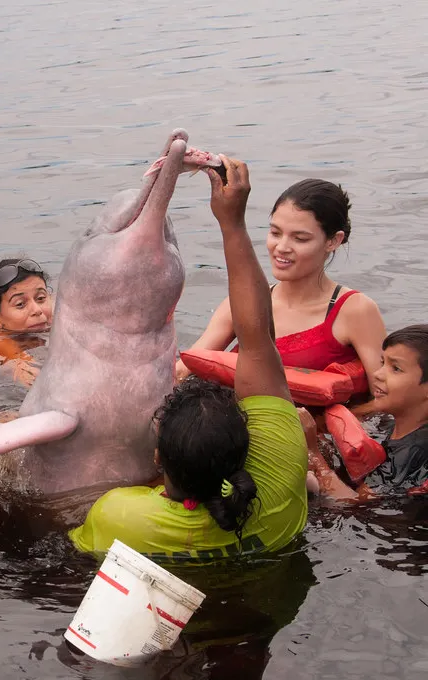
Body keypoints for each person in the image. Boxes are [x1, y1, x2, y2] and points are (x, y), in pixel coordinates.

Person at [68, 156, 309, 560]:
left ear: (159, 458)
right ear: (248, 448)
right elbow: (259, 341)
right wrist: (232, 222)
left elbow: (253, 340)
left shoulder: (120, 515)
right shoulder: (281, 471)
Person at [176, 178, 386, 383]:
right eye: (275, 233)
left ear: (333, 241)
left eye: (300, 238)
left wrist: (319, 420)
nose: (282, 247)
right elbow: (183, 370)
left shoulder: (356, 310)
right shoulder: (245, 302)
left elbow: (387, 396)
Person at [308, 325, 428, 499]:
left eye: (396, 368)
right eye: (382, 363)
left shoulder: (413, 451)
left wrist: (314, 453)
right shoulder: (396, 424)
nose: (378, 374)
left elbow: (356, 503)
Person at [0, 258, 54, 388]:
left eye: (41, 298)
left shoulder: (58, 314)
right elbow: (32, 377)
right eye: (20, 304)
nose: (37, 310)